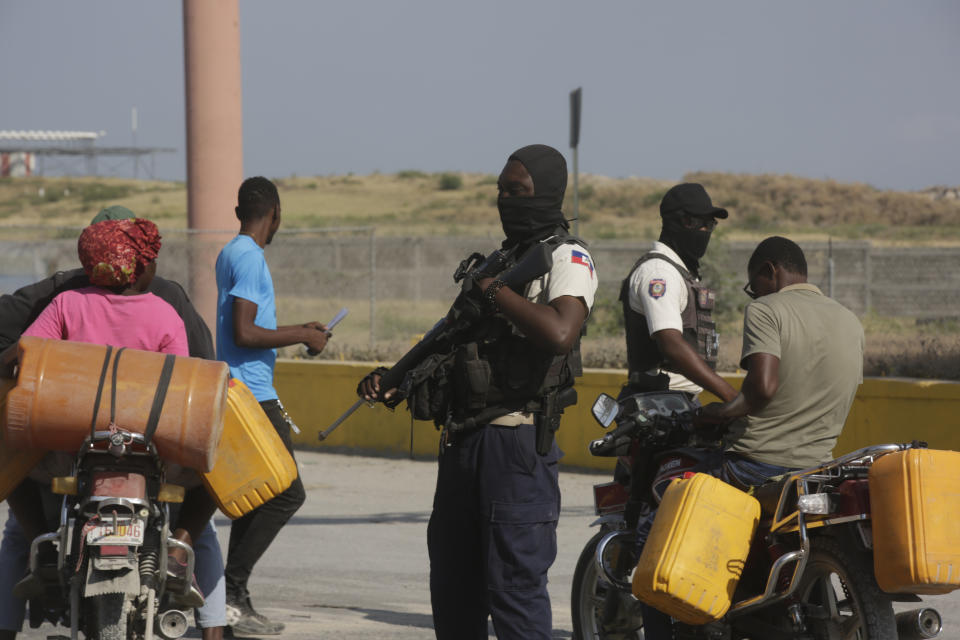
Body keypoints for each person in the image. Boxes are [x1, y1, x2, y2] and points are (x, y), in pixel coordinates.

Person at [359, 144, 598, 640]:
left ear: (549, 193)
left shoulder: (566, 257)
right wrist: (397, 375)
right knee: (454, 589)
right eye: (501, 191)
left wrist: (495, 292)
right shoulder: (501, 259)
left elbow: (560, 333)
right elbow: (447, 334)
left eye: (518, 191)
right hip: (463, 441)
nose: (506, 200)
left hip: (514, 443)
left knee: (514, 590)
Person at [0, 210, 226, 640]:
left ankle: (39, 553)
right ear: (142, 267)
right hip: (148, 454)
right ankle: (181, 548)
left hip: (74, 451)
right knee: (211, 486)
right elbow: (180, 383)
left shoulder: (66, 302)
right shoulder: (164, 312)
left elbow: (27, 353)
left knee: (17, 489)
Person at [638, 236, 865, 639]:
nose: (754, 292)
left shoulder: (766, 309)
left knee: (657, 523)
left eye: (753, 284)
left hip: (755, 464)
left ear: (770, 272)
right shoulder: (849, 320)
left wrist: (718, 413)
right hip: (816, 466)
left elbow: (762, 387)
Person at [215, 176, 329, 636]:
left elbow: (248, 326)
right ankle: (231, 592)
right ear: (275, 214)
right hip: (252, 397)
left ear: (239, 209)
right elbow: (244, 332)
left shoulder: (230, 252)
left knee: (256, 498)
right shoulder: (250, 258)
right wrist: (302, 335)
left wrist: (300, 327)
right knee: (286, 493)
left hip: (242, 391)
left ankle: (230, 602)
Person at [620, 182, 737, 402]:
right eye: (696, 222)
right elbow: (671, 344)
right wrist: (732, 396)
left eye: (709, 224)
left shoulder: (681, 273)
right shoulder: (660, 273)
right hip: (657, 403)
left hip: (678, 401)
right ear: (674, 222)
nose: (704, 231)